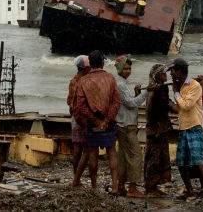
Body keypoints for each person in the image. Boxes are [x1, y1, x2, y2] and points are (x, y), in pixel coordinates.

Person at [73, 50, 121, 192]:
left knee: (92, 154)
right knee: (111, 152)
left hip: (92, 122)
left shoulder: (83, 81)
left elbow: (81, 106)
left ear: (91, 64)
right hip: (109, 121)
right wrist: (106, 121)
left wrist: (95, 121)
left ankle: (94, 186)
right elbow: (116, 102)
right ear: (102, 62)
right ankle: (115, 186)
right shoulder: (111, 78)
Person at [168, 58, 203, 197]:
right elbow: (179, 107)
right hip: (183, 127)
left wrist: (175, 92)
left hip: (194, 127)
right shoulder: (181, 85)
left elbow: (186, 105)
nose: (171, 74)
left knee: (198, 160)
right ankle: (190, 190)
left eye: (173, 71)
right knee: (181, 162)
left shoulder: (194, 86)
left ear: (180, 72)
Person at [114, 55, 148, 198]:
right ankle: (132, 188)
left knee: (123, 155)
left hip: (122, 123)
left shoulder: (122, 83)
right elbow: (131, 104)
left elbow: (128, 100)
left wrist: (136, 93)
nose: (128, 71)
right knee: (135, 155)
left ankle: (121, 185)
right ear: (120, 68)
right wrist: (146, 92)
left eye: (129, 68)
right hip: (126, 125)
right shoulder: (121, 85)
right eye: (125, 68)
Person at [144, 63, 172, 197]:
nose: (167, 75)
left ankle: (153, 187)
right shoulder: (155, 91)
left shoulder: (161, 89)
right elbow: (152, 111)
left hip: (160, 128)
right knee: (153, 159)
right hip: (156, 130)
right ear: (158, 76)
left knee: (159, 157)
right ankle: (150, 188)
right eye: (164, 73)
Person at [66, 55, 90, 186]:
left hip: (75, 117)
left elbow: (69, 101)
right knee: (86, 149)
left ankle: (76, 177)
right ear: (84, 68)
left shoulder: (73, 81)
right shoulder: (84, 82)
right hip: (83, 118)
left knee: (76, 149)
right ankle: (77, 179)